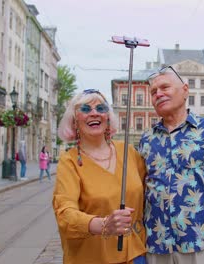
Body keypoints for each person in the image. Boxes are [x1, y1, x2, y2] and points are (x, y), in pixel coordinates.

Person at [139, 66, 204, 264]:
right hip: (158, 245)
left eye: (164, 87)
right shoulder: (147, 139)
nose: (158, 94)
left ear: (185, 90)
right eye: (153, 92)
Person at [53, 89, 147, 264]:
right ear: (74, 121)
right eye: (86, 109)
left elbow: (151, 191)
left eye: (101, 108)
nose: (94, 113)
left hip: (135, 254)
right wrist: (104, 225)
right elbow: (65, 214)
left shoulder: (128, 152)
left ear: (108, 117)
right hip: (92, 257)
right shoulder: (69, 161)